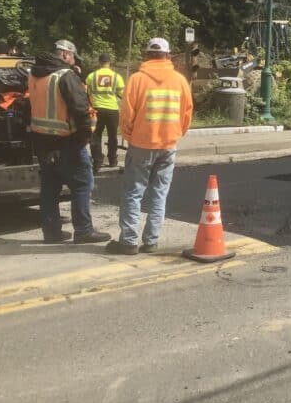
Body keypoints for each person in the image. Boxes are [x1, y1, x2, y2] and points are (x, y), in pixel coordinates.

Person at [107, 38, 193, 255]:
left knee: (133, 193)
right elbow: (187, 114)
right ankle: (151, 241)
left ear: (146, 55)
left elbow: (126, 115)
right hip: (168, 145)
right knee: (159, 194)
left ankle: (128, 242)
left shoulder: (136, 80)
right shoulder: (180, 81)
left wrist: (130, 136)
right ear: (168, 55)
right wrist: (175, 135)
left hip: (141, 145)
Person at [28, 40, 111, 244]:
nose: (73, 62)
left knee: (50, 187)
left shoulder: (34, 73)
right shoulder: (65, 76)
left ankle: (52, 232)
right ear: (66, 55)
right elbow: (81, 110)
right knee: (82, 184)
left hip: (42, 140)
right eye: (72, 57)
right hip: (67, 141)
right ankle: (83, 231)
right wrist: (85, 138)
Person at [85, 52, 125, 172]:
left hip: (96, 109)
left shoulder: (91, 76)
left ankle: (97, 162)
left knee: (95, 136)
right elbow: (123, 94)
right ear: (109, 62)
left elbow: (86, 92)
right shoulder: (116, 76)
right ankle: (112, 160)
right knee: (113, 136)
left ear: (99, 62)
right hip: (112, 109)